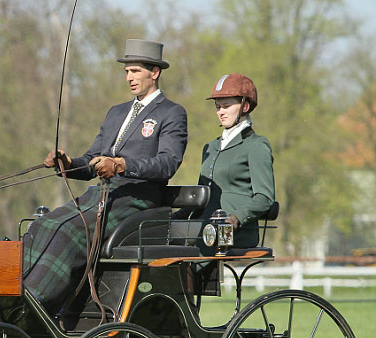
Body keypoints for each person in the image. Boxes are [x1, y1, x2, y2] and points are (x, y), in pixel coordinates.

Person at [24, 39, 188, 312]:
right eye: (126, 72)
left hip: (137, 201)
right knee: (43, 224)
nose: (129, 77)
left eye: (135, 71)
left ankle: (39, 302)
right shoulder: (117, 112)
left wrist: (122, 165)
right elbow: (92, 162)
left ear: (154, 72)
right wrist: (67, 163)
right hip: (100, 196)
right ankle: (23, 292)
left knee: (66, 231)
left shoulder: (171, 113)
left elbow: (167, 164)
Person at [199, 73, 274, 248]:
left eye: (226, 106)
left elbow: (264, 198)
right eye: (218, 107)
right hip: (206, 230)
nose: (220, 112)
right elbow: (201, 196)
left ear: (245, 106)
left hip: (234, 231)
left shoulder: (256, 146)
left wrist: (236, 218)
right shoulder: (210, 147)